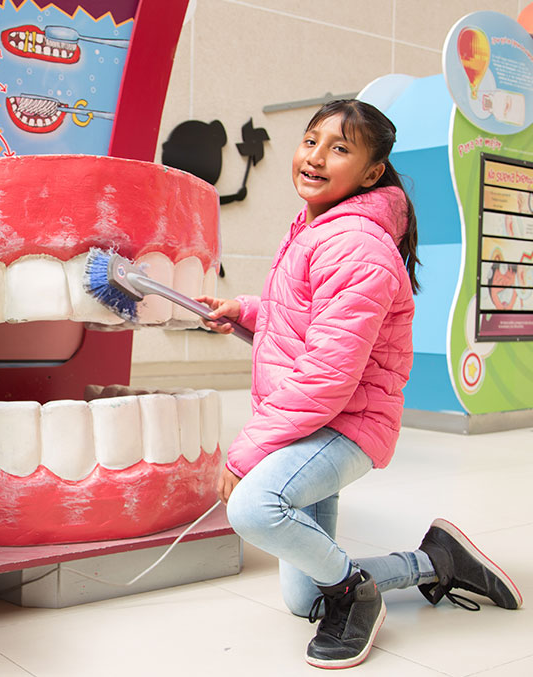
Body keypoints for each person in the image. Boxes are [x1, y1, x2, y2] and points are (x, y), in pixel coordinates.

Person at [198, 99, 522, 670]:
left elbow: (327, 375)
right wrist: (246, 311)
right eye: (311, 140)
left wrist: (247, 452)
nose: (316, 157)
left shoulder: (356, 245)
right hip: (314, 420)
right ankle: (436, 561)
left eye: (340, 148)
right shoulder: (317, 227)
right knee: (304, 598)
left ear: (372, 173)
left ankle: (357, 596)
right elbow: (303, 316)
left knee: (253, 507)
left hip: (345, 424)